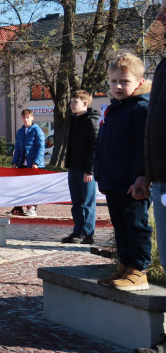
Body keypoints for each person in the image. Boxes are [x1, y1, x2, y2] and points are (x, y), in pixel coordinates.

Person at [94, 53, 151, 291]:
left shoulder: (140, 108)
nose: (117, 86)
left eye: (124, 81)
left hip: (131, 182)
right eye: (113, 81)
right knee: (120, 225)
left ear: (139, 82)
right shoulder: (115, 108)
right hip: (113, 180)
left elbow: (143, 147)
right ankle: (125, 266)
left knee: (136, 225)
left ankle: (139, 270)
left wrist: (140, 176)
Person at [133, 0, 166, 353]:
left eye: (165, 11)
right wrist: (145, 173)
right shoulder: (163, 66)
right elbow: (155, 128)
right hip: (159, 181)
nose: (159, 18)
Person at [61, 90, 99, 244]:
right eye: (71, 102)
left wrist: (89, 170)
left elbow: (95, 147)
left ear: (85, 103)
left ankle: (88, 233)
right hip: (74, 168)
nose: (71, 105)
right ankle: (77, 231)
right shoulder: (73, 120)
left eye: (75, 102)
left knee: (88, 202)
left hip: (86, 170)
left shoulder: (91, 121)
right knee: (76, 202)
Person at [11, 109, 45, 216]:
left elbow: (41, 148)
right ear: (21, 118)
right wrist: (14, 162)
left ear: (32, 118)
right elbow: (17, 148)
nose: (26, 120)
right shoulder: (20, 131)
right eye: (24, 118)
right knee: (21, 187)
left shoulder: (37, 130)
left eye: (27, 117)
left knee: (33, 187)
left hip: (34, 165)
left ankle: (32, 208)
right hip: (22, 164)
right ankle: (18, 208)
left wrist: (36, 162)